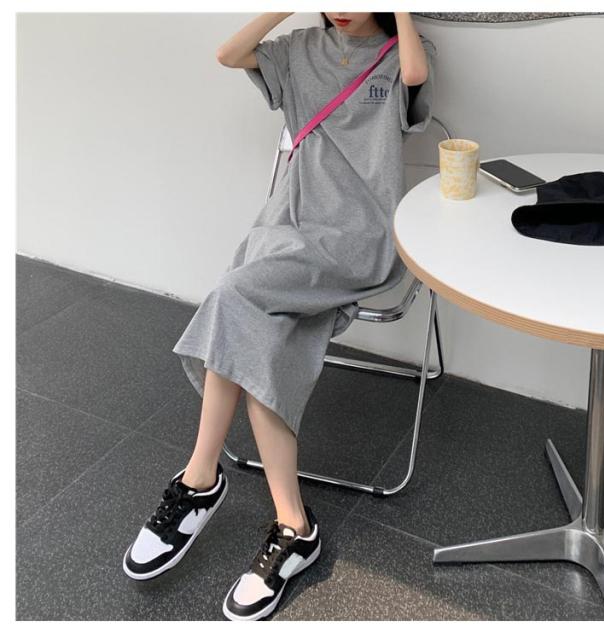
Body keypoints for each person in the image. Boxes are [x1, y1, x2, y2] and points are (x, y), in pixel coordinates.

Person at [122, 11, 436, 621]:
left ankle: (199, 480)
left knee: (232, 298)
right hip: (286, 222)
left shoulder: (405, 52)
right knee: (259, 332)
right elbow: (228, 54)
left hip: (357, 234)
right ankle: (294, 526)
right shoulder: (299, 48)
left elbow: (416, 76)